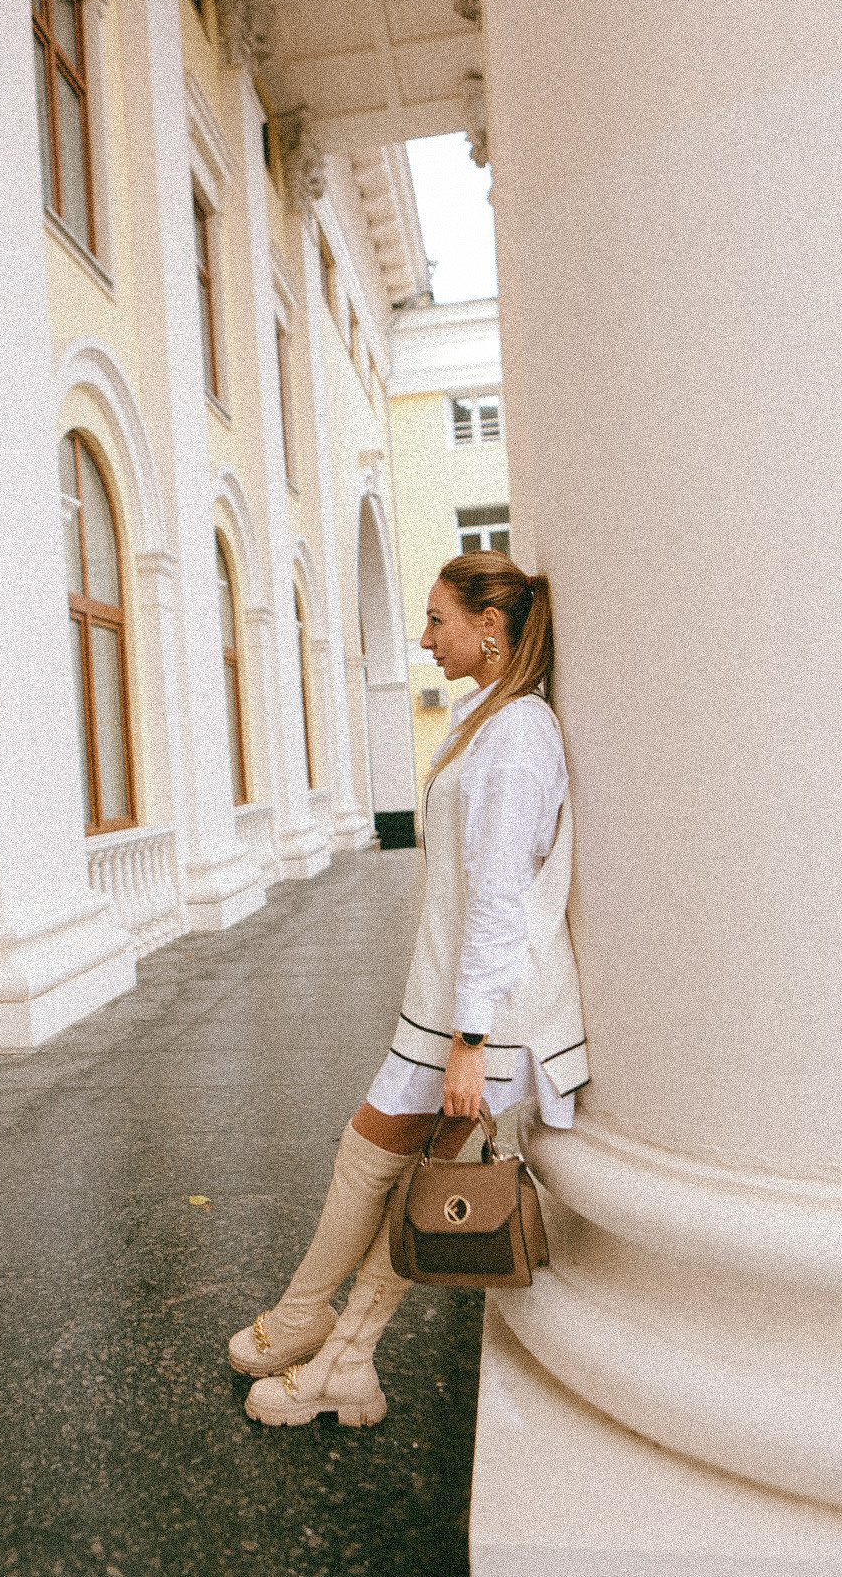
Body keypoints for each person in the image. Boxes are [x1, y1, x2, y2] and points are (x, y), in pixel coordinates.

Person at [230, 549, 590, 1427]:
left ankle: (343, 1365)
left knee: (435, 1178)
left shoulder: (516, 737)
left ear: (490, 630)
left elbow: (501, 894)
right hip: (449, 1004)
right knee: (376, 1148)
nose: (425, 637)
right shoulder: (484, 722)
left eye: (437, 620)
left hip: (491, 1012)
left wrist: (470, 1040)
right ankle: (304, 1315)